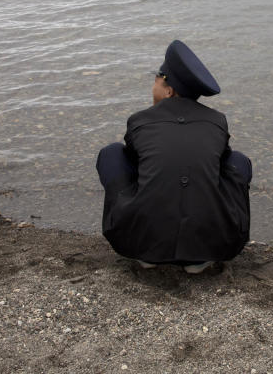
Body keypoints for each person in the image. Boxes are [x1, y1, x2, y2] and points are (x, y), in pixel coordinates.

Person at [97, 40, 251, 274]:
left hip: (136, 242)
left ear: (168, 91)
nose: (153, 84)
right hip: (217, 244)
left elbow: (138, 167)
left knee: (112, 154)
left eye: (157, 78)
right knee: (238, 161)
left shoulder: (139, 120)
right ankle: (197, 260)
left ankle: (149, 250)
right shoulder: (217, 121)